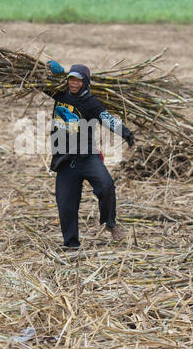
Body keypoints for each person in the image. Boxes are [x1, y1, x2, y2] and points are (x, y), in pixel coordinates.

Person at [45, 60, 135, 250]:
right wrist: (51, 71)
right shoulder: (59, 94)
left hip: (87, 157)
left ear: (85, 83)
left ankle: (109, 223)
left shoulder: (91, 103)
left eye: (78, 81)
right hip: (64, 160)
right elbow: (39, 82)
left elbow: (108, 119)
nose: (74, 84)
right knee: (66, 206)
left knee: (106, 186)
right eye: (71, 79)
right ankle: (71, 245)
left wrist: (126, 133)